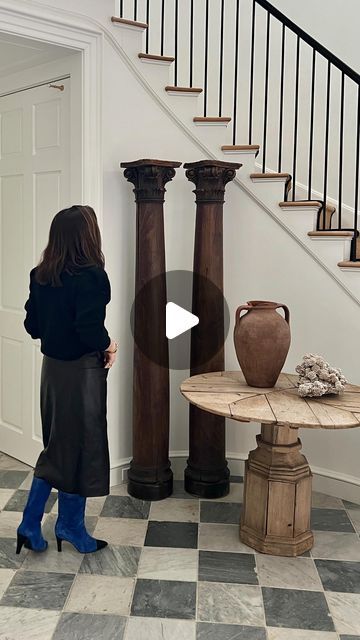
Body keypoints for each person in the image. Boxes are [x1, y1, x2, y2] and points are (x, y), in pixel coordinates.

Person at [16, 205, 118, 555]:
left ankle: (39, 525)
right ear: (88, 235)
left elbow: (32, 327)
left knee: (59, 448)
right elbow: (89, 329)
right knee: (79, 448)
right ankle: (66, 526)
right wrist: (110, 344)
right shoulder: (92, 275)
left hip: (53, 373)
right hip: (81, 374)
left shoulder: (40, 274)